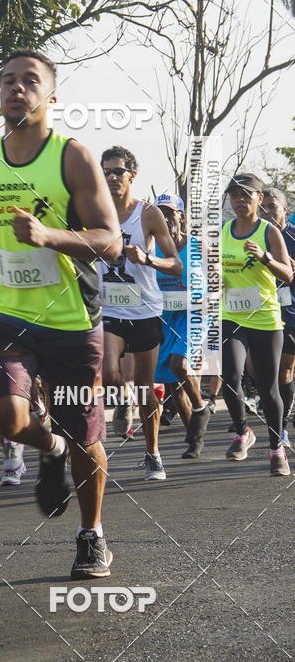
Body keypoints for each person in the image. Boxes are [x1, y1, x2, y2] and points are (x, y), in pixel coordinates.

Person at [0, 50, 123, 579]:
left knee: (86, 437)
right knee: (3, 416)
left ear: (51, 97)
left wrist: (51, 236)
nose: (16, 88)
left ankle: (91, 535)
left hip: (72, 320)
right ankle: (46, 446)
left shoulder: (72, 156)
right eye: (7, 81)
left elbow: (111, 240)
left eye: (30, 81)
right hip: (7, 316)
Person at [98, 148, 182, 481]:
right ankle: (123, 399)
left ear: (133, 175)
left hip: (145, 308)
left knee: (147, 389)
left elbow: (175, 264)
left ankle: (153, 453)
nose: (111, 178)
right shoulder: (95, 212)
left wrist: (147, 259)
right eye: (105, 172)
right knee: (107, 371)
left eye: (118, 171)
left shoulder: (147, 214)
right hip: (109, 309)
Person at [219, 174, 292, 474]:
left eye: (245, 195)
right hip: (232, 315)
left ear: (259, 199)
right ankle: (242, 431)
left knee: (267, 386)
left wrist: (264, 258)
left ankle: (276, 448)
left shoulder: (268, 231)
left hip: (264, 318)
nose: (238, 200)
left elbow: (288, 274)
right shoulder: (223, 231)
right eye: (233, 195)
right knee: (229, 374)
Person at [149, 194, 209, 459]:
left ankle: (200, 408)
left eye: (170, 212)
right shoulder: (151, 248)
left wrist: (206, 298)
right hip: (164, 317)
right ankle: (194, 438)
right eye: (160, 212)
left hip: (193, 315)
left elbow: (217, 280)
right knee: (173, 383)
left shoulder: (198, 245)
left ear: (181, 216)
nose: (165, 217)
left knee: (179, 365)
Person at [260, 188, 295, 448]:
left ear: (285, 210)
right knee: (266, 371)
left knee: (284, 370)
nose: (267, 212)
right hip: (264, 310)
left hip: (292, 310)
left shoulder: (292, 234)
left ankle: (281, 427)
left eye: (272, 207)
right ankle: (282, 420)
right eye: (264, 207)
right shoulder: (257, 233)